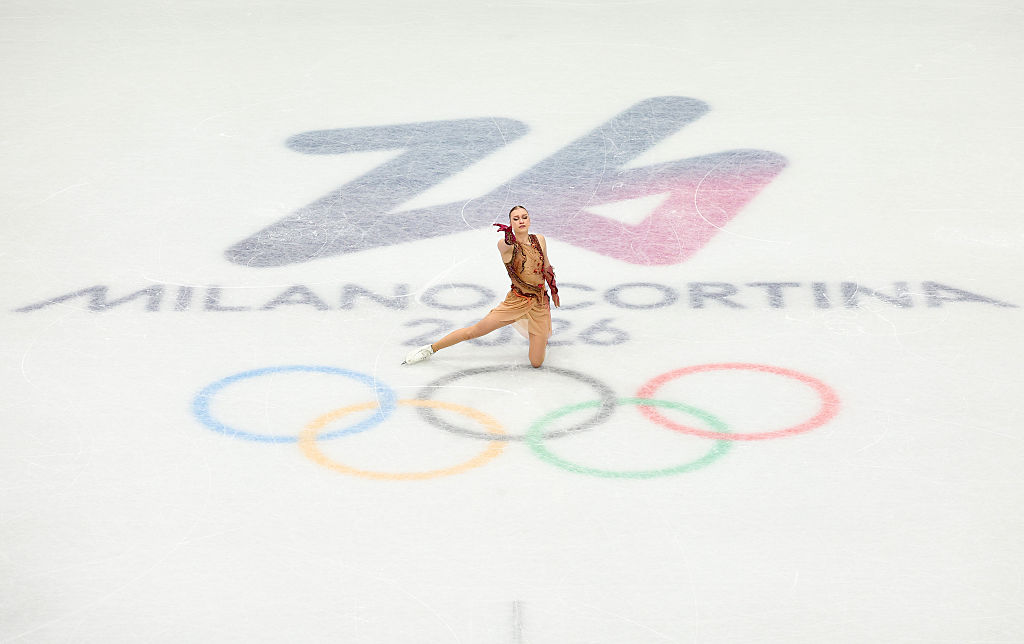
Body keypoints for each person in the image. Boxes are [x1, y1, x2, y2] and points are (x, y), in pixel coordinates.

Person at [403, 205, 560, 368]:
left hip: (540, 302)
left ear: (529, 219)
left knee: (536, 362)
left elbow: (546, 266)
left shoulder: (539, 239)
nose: (521, 221)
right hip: (516, 301)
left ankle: (539, 337)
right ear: (510, 223)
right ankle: (430, 349)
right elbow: (506, 245)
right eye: (516, 218)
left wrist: (553, 289)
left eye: (524, 217)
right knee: (474, 331)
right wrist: (508, 238)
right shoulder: (506, 245)